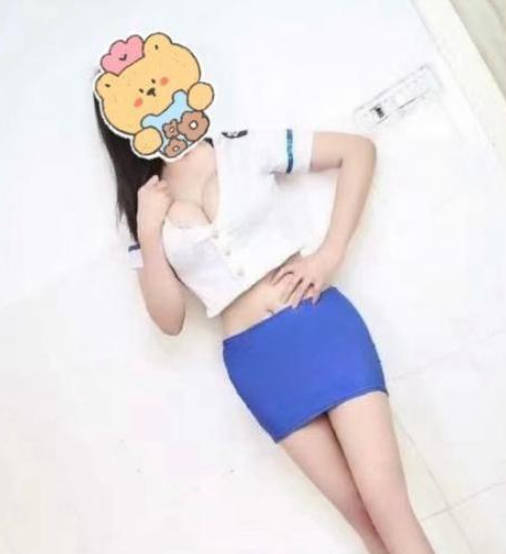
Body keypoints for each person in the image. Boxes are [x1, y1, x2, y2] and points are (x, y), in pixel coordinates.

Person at [93, 95, 435, 554]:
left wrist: (329, 253)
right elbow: (169, 320)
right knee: (363, 518)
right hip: (260, 365)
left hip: (319, 326)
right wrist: (149, 232)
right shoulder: (141, 207)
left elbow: (357, 150)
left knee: (385, 502)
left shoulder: (240, 147)